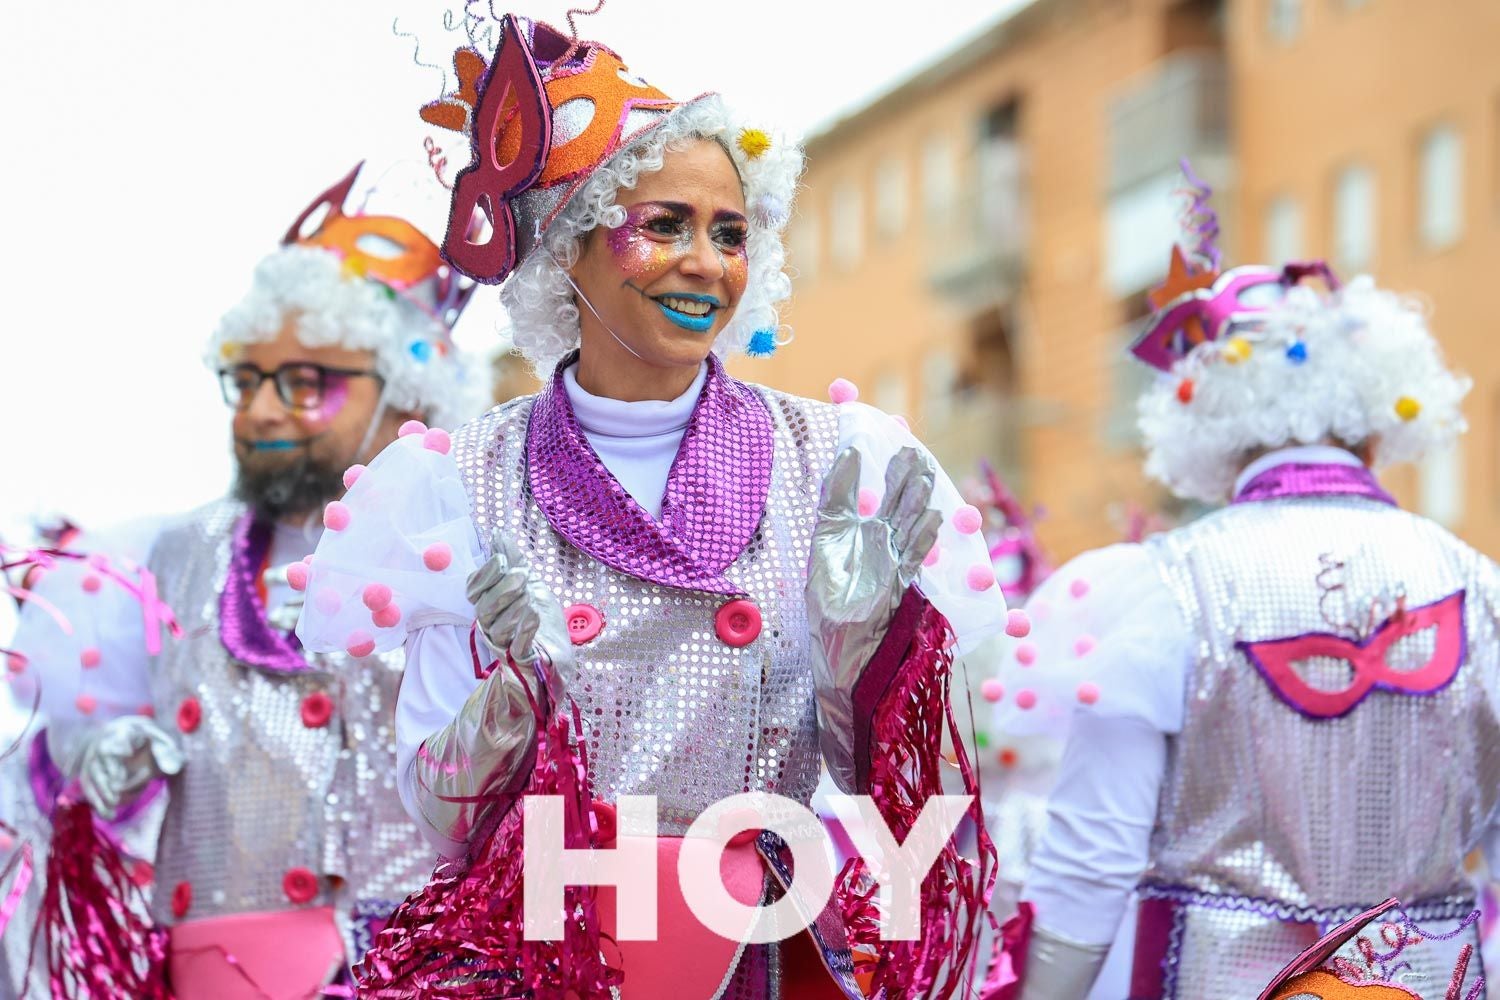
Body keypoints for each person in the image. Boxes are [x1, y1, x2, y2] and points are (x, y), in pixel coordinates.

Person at [295, 12, 1010, 998]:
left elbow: (905, 796)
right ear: (569, 246)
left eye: (730, 233)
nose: (707, 263)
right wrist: (513, 700)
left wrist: (867, 650)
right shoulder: (457, 480)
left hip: (755, 944)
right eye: (665, 225)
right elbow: (442, 820)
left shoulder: (841, 462)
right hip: (550, 956)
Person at [991, 178, 1496, 998]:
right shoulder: (1482, 590)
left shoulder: (1158, 589)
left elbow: (1088, 867)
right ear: (1378, 427)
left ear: (1209, 436)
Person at [6, 160, 483, 998]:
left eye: (304, 382)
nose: (260, 410)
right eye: (248, 379)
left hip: (440, 973)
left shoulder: (477, 542)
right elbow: (60, 803)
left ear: (408, 392)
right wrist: (106, 766)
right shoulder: (162, 561)